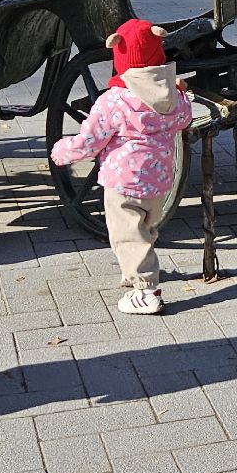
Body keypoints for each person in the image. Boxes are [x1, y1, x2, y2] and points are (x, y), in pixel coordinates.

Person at [49, 20, 191, 315]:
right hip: (159, 182)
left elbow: (90, 142)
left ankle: (145, 290)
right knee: (146, 228)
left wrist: (63, 152)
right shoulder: (173, 98)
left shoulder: (112, 101)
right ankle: (139, 272)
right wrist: (182, 93)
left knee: (128, 235)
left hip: (123, 183)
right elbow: (184, 119)